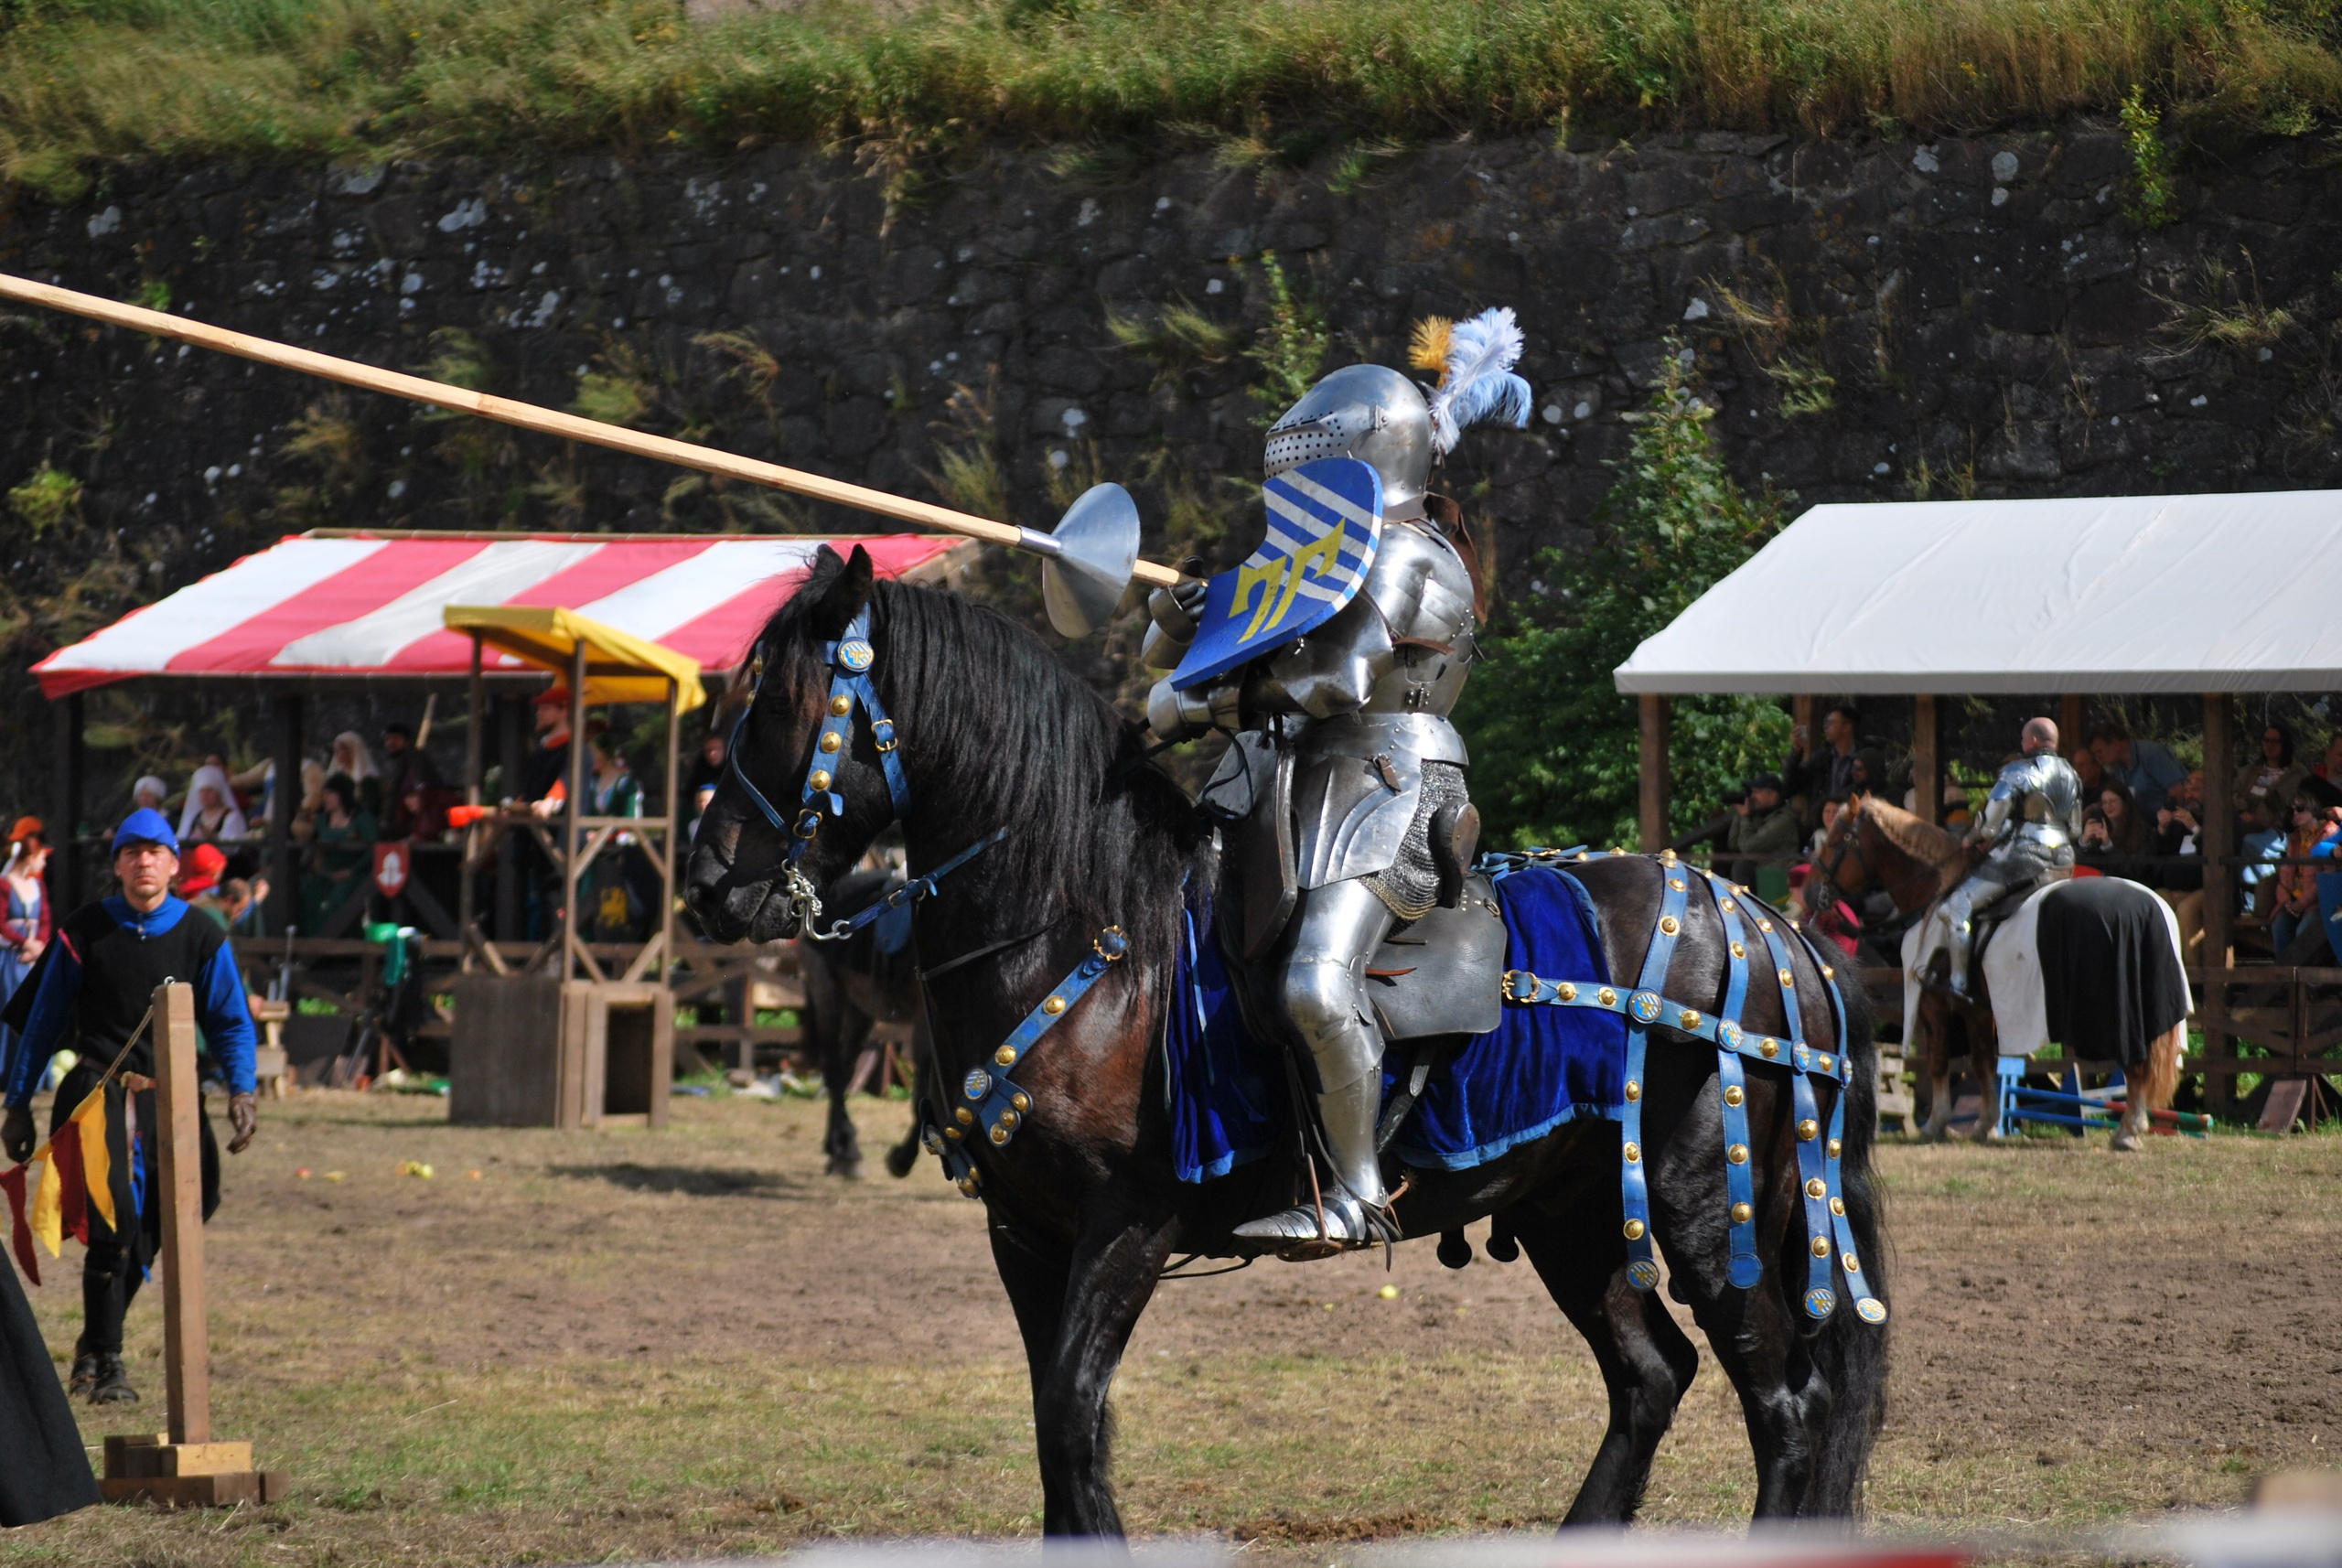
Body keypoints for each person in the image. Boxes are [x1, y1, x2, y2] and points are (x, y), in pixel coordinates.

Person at [1140, 321, 1530, 1252]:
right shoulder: (1319, 559)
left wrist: (1195, 707)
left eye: (1313, 462)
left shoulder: (1407, 556)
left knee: (1317, 980)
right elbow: (1212, 648)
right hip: (1285, 784)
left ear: (1365, 456)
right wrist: (1177, 623)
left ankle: (1357, 1193)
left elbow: (1335, 682)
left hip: (1389, 780)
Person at [0, 810, 258, 1407]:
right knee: (112, 1224)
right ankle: (108, 1363)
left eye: (155, 851)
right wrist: (18, 1105)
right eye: (131, 851)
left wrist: (242, 1090)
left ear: (173, 863)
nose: (144, 861)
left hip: (173, 1095)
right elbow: (40, 1025)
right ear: (117, 864)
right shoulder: (85, 929)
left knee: (189, 1205)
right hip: (97, 1094)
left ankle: (94, 1342)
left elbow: (230, 1020)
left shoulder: (202, 933)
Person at [1922, 716, 2082, 1001]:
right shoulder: (2071, 773)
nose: (2021, 744)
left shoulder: (2016, 772)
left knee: (1956, 907)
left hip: (2025, 857)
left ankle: (1958, 985)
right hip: (2064, 859)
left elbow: (1990, 827)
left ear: (2032, 741)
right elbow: (2076, 828)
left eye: (2023, 739)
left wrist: (1969, 839)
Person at [0, 820, 50, 1082]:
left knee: (36, 1008)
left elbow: (45, 920)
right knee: (10, 1007)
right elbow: (1, 924)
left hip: (33, 958)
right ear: (32, 854)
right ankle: (6, 1071)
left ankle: (34, 1073)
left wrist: (38, 947)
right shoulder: (5, 884)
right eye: (42, 854)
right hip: (11, 959)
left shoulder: (38, 887)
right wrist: (25, 943)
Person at [2271, 780, 2342, 961]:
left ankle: (2310, 985)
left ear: (2312, 808)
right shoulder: (2295, 838)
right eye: (2292, 811)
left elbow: (2326, 878)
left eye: (2300, 808)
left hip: (2320, 903)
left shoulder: (2330, 833)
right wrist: (2286, 900)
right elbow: (2285, 873)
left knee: (2305, 932)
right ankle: (2285, 981)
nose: (2295, 814)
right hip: (2294, 901)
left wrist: (2301, 904)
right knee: (2279, 925)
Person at [301, 776, 377, 934]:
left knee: (340, 897)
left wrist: (352, 871)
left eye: (330, 793)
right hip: (326, 872)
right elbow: (311, 848)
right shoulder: (321, 820)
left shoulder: (362, 819)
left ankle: (342, 943)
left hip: (355, 872)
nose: (326, 798)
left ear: (342, 794)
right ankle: (314, 944)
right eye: (325, 794)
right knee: (308, 892)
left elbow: (374, 849)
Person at [2088, 722, 2187, 816]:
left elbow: (2178, 791)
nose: (2097, 758)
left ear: (2116, 744)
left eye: (2099, 752)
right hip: (2144, 827)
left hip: (2173, 825)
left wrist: (2166, 825)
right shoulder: (2117, 766)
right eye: (2094, 754)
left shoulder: (2151, 754)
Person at [1785, 704, 1861, 824]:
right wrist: (1796, 752)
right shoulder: (1821, 758)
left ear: (1846, 727)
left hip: (1851, 824)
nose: (1826, 727)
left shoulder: (1863, 759)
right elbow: (1790, 785)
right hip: (1820, 825)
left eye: (1831, 723)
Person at [1726, 773, 1801, 884]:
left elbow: (1748, 847)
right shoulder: (1761, 815)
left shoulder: (1784, 820)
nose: (1752, 797)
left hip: (1777, 877)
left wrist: (1745, 817)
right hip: (1763, 871)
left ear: (1773, 796)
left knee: (1742, 866)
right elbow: (1733, 844)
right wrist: (1740, 814)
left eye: (1756, 792)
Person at [380, 721, 444, 839]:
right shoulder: (397, 763)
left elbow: (421, 790)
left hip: (416, 823)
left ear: (406, 740)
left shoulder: (415, 759)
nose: (390, 743)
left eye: (396, 738)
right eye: (387, 739)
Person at [2234, 721, 2307, 822]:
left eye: (2274, 741)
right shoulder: (2250, 771)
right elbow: (2233, 793)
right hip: (2249, 825)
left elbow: (2306, 804)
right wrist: (2242, 811)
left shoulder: (2298, 773)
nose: (2269, 745)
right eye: (2266, 741)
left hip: (2282, 829)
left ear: (2284, 744)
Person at [176, 763, 249, 844]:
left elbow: (233, 846)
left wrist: (213, 837)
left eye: (209, 791)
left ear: (219, 793)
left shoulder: (231, 816)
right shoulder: (195, 817)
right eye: (202, 792)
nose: (205, 795)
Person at [328, 732, 383, 822]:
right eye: (336, 750)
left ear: (353, 750)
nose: (337, 753)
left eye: (341, 749)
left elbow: (370, 810)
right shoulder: (338, 776)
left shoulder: (367, 779)